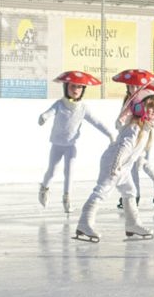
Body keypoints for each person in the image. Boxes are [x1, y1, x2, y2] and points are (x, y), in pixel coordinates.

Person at [74, 78, 154, 242]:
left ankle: (132, 225)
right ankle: (84, 224)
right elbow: (124, 147)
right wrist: (115, 166)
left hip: (123, 166)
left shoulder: (145, 128)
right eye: (150, 107)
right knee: (102, 191)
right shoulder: (134, 127)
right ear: (140, 108)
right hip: (114, 163)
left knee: (130, 191)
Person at [37, 71, 114, 213]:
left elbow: (96, 121)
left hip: (71, 146)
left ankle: (67, 198)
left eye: (79, 87)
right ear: (66, 87)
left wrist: (109, 133)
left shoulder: (83, 108)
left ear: (83, 89)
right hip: (57, 145)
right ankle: (44, 188)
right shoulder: (60, 104)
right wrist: (44, 116)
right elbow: (50, 112)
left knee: (69, 172)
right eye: (73, 86)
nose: (75, 90)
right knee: (52, 172)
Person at [112, 69, 154, 209]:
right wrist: (120, 121)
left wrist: (148, 118)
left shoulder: (147, 96)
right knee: (137, 164)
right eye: (131, 86)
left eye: (136, 86)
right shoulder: (130, 99)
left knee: (140, 163)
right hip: (132, 133)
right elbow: (125, 114)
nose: (133, 89)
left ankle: (139, 194)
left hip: (143, 133)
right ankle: (142, 193)